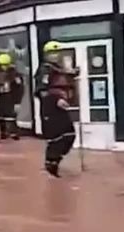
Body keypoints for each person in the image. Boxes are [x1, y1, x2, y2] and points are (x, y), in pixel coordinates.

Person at [34, 41, 79, 178]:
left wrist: (73, 74)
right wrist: (56, 100)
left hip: (62, 107)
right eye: (52, 53)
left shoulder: (58, 69)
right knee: (56, 138)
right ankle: (51, 166)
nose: (55, 55)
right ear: (46, 55)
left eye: (57, 53)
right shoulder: (45, 70)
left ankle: (56, 160)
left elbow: (64, 80)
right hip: (50, 108)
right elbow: (41, 90)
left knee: (69, 134)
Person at [0, 53, 24, 141]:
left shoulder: (14, 74)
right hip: (0, 96)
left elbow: (19, 88)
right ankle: (3, 132)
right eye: (3, 65)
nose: (4, 67)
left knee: (11, 115)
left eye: (6, 65)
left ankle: (14, 132)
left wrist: (17, 101)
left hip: (10, 96)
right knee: (0, 115)